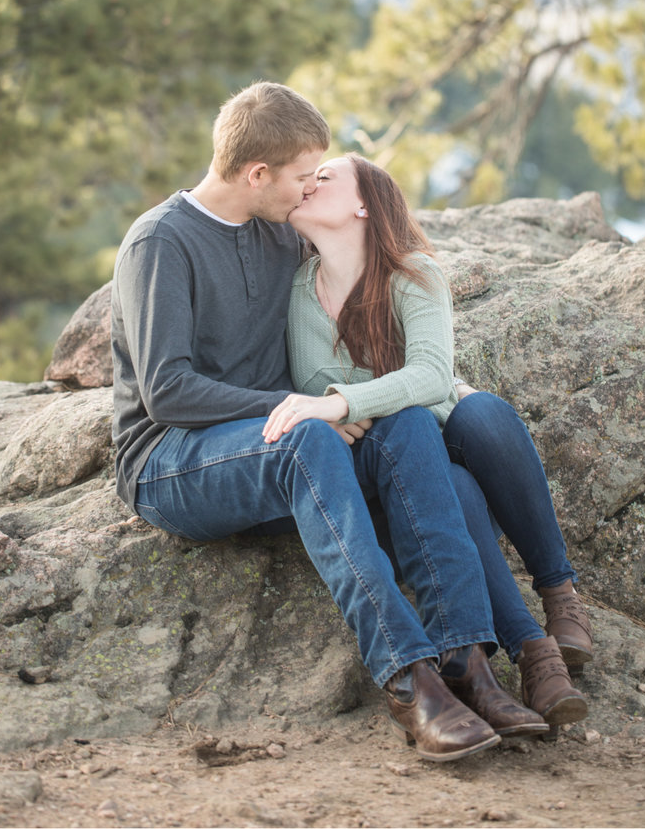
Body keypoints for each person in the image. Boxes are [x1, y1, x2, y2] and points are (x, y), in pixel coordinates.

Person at [112, 82, 503, 762]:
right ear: (256, 174)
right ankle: (410, 679)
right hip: (172, 463)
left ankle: (467, 657)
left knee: (409, 429)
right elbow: (167, 392)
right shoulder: (160, 242)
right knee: (308, 440)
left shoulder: (278, 234)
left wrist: (411, 379)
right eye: (300, 178)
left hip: (281, 448)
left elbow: (351, 281)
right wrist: (298, 409)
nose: (307, 191)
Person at [280, 154, 594, 735]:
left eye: (325, 177)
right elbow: (306, 391)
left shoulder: (413, 272)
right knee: (450, 484)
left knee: (479, 412)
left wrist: (343, 402)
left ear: (363, 204)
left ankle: (559, 594)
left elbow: (430, 375)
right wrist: (341, 408)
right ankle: (533, 653)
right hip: (398, 468)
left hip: (449, 434)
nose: (308, 183)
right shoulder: (299, 289)